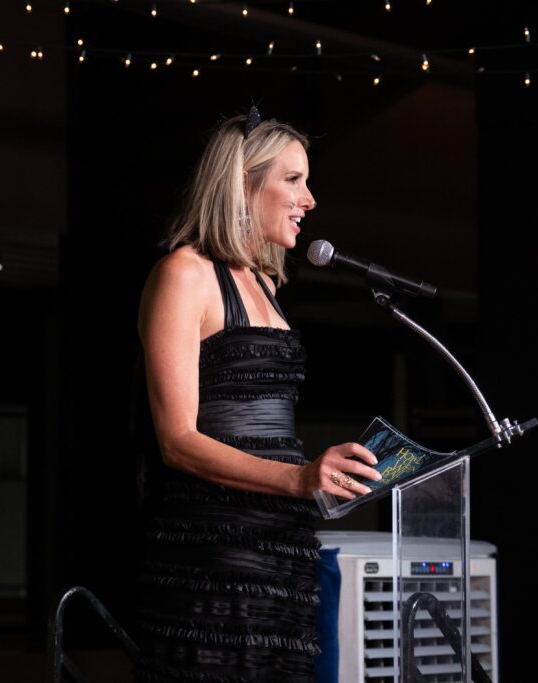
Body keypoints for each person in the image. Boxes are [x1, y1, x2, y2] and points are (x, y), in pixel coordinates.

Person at [134, 109, 381, 683]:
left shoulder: (267, 283)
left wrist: (324, 478)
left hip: (283, 548)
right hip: (213, 556)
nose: (310, 198)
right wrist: (297, 478)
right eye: (293, 180)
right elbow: (177, 441)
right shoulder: (185, 273)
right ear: (243, 183)